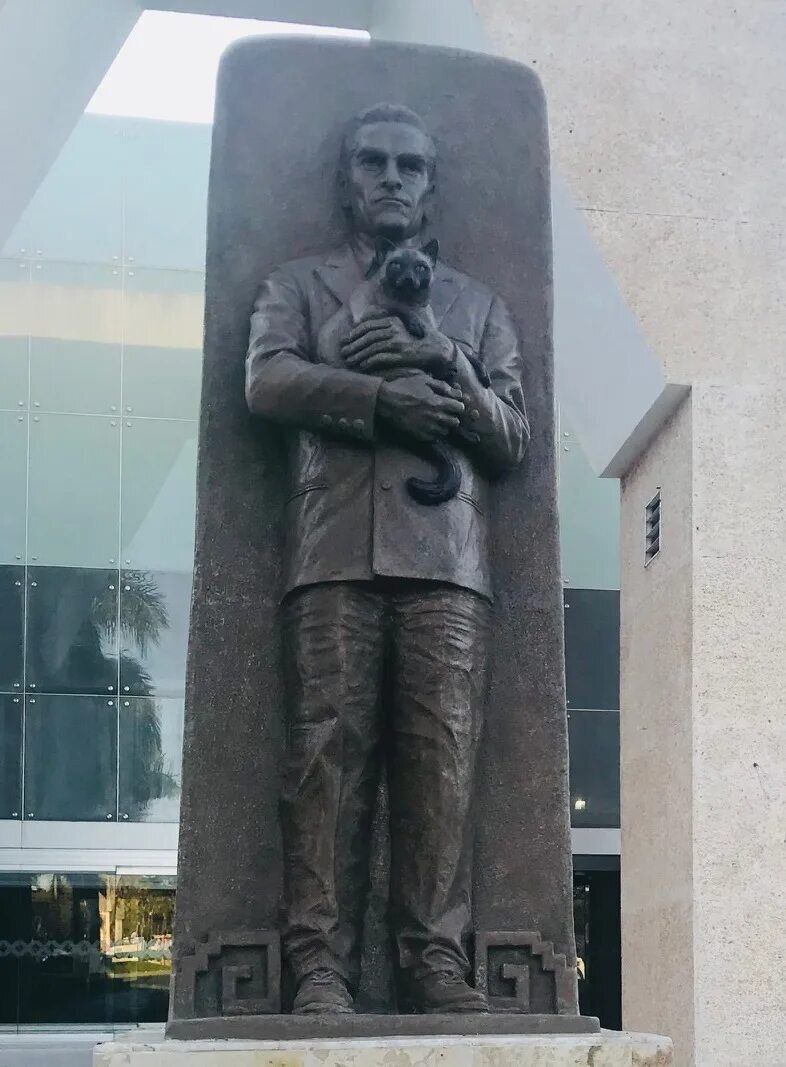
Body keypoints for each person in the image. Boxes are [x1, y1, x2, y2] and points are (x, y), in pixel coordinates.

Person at [245, 103, 528, 1015]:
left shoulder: (479, 307)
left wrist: (446, 361)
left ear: (431, 186)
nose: (393, 178)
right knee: (324, 762)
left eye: (411, 166)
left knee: (441, 765)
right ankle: (319, 965)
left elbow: (513, 437)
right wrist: (377, 402)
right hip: (332, 552)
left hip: (449, 561)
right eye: (374, 162)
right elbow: (267, 379)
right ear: (348, 180)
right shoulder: (297, 284)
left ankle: (434, 960)